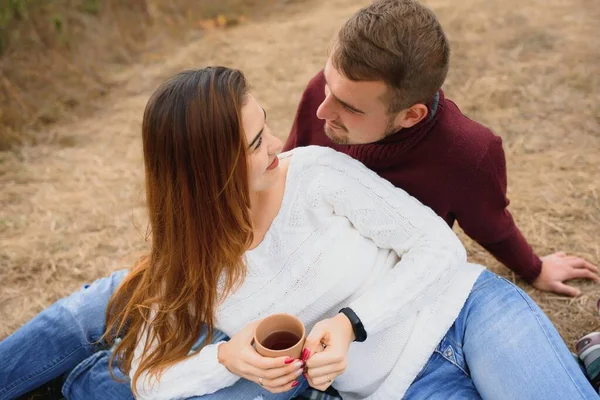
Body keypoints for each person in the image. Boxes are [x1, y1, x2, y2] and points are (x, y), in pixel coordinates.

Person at [1, 0, 597, 398]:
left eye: (265, 126)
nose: (285, 141)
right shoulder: (189, 266)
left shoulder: (312, 172)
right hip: (402, 385)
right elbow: (149, 378)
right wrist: (227, 360)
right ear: (210, 173)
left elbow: (439, 247)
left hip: (468, 311)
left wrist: (349, 322)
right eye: (258, 139)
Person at [284, 0, 598, 297]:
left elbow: (491, 224)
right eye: (328, 83)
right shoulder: (325, 93)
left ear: (411, 115)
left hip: (388, 288)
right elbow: (289, 171)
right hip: (306, 264)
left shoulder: (469, 154)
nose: (322, 111)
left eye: (349, 107)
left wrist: (535, 269)